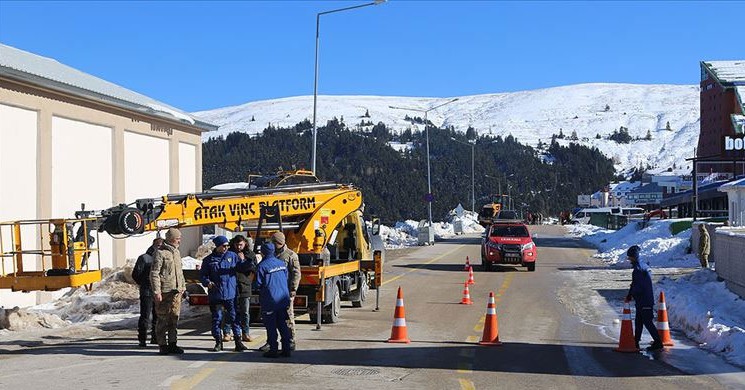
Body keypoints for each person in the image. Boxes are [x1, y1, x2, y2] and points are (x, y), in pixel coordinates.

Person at [200, 235, 251, 352]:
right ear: (217, 246)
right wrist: (207, 282)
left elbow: (242, 268)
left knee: (234, 318)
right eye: (223, 246)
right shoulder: (209, 260)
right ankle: (218, 342)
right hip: (216, 294)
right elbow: (203, 275)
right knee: (217, 318)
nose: (226, 248)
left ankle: (238, 342)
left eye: (227, 246)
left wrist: (245, 261)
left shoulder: (232, 256)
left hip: (230, 294)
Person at [150, 228, 186, 355]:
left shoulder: (176, 252)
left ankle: (172, 343)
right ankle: (162, 345)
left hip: (176, 291)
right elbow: (154, 274)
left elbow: (179, 273)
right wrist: (157, 292)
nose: (179, 241)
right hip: (165, 291)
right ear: (171, 239)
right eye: (177, 239)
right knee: (162, 319)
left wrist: (183, 288)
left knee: (174, 319)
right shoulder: (160, 253)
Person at [254, 242, 292, 358]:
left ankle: (273, 349)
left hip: (270, 301)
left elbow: (258, 284)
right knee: (283, 325)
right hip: (283, 299)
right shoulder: (281, 263)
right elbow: (286, 278)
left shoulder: (262, 266)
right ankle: (286, 349)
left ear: (263, 252)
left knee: (271, 326)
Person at [625, 245, 663, 351]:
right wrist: (630, 294)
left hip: (644, 300)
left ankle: (658, 342)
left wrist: (632, 294)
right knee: (639, 321)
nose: (629, 260)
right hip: (643, 300)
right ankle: (636, 341)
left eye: (630, 257)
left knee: (647, 321)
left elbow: (638, 286)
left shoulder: (638, 269)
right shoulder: (642, 266)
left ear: (634, 257)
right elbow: (635, 284)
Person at [221, 235, 257, 343]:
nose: (239, 247)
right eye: (236, 245)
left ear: (245, 243)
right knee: (229, 311)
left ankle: (245, 333)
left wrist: (244, 261)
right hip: (231, 286)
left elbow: (254, 269)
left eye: (241, 244)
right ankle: (227, 332)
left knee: (245, 312)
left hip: (245, 286)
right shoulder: (229, 254)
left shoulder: (250, 254)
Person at [131, 237, 163, 347]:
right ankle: (142, 339)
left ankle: (155, 337)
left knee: (157, 315)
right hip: (147, 291)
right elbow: (135, 274)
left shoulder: (162, 257)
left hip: (158, 291)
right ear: (155, 245)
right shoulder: (144, 258)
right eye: (159, 246)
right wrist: (144, 283)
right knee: (145, 315)